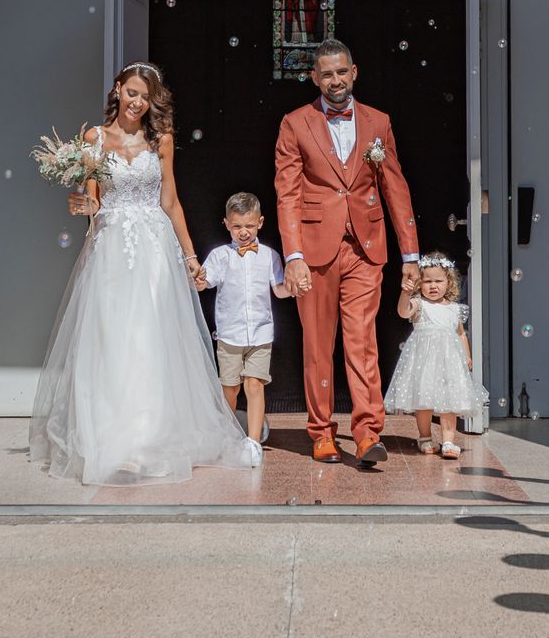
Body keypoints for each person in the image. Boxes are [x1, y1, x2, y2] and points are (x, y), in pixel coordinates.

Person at [29, 62, 251, 485]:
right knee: (112, 340)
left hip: (154, 250)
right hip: (111, 249)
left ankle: (146, 440)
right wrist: (81, 204)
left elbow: (170, 202)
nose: (137, 102)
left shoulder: (160, 140)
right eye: (132, 93)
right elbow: (93, 202)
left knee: (149, 338)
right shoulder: (93, 139)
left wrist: (190, 255)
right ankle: (113, 439)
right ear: (118, 90)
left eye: (145, 97)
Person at [274, 39, 423, 466]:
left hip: (365, 246)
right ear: (314, 78)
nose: (335, 80)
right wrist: (293, 256)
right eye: (327, 74)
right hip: (314, 248)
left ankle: (367, 431)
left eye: (342, 72)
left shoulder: (379, 121)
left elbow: (396, 188)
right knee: (318, 344)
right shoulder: (295, 123)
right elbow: (287, 193)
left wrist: (410, 256)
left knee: (362, 340)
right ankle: (321, 431)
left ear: (354, 72)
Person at [192, 192, 290, 465]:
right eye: (237, 226)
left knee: (255, 384)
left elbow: (279, 290)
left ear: (260, 222)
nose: (243, 232)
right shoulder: (219, 256)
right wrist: (198, 280)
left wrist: (293, 287)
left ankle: (253, 442)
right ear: (226, 224)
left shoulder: (269, 256)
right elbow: (205, 283)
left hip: (260, 333)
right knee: (230, 388)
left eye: (249, 225)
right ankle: (228, 436)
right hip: (230, 335)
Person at [383, 253, 486, 458]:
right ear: (420, 284)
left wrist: (466, 355)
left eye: (438, 281)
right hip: (425, 364)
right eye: (427, 281)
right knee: (424, 402)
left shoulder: (454, 309)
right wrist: (406, 294)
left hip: (449, 364)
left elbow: (460, 334)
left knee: (450, 402)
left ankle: (448, 441)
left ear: (449, 282)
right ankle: (425, 437)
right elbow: (403, 312)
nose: (433, 286)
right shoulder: (419, 304)